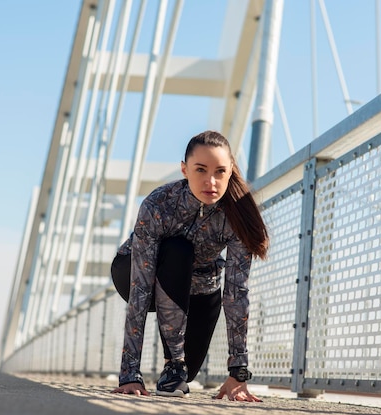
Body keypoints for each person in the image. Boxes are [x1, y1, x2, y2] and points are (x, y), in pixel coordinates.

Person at [110, 130, 269, 401]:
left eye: (220, 171)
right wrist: (129, 374)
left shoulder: (236, 214)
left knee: (186, 375)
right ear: (184, 170)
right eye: (200, 170)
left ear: (231, 171)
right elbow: (139, 291)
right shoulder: (159, 204)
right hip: (135, 273)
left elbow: (236, 294)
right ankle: (174, 363)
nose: (211, 181)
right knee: (178, 249)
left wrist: (238, 372)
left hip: (200, 285)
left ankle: (176, 369)